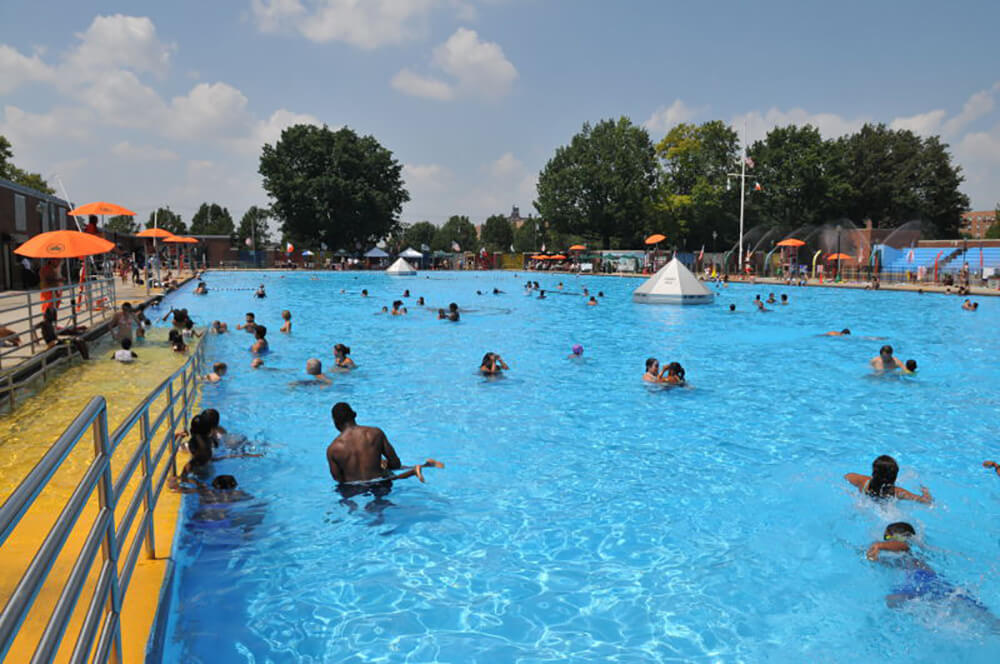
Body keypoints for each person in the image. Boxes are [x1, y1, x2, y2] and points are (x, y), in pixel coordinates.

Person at [866, 522, 995, 616]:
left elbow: (903, 545)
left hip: (920, 580)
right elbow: (890, 562)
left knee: (892, 600)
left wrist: (880, 545)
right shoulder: (910, 557)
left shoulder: (907, 547)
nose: (886, 540)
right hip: (935, 580)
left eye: (887, 537)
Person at [325, 402, 444, 485]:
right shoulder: (374, 433)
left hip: (353, 490)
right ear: (354, 415)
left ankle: (415, 470)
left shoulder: (333, 449)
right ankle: (418, 468)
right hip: (381, 484)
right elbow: (396, 463)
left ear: (335, 422)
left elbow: (338, 479)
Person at [844, 455, 932, 503]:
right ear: (895, 477)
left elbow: (847, 476)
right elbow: (926, 501)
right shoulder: (897, 492)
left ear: (873, 473)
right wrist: (925, 491)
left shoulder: (863, 482)